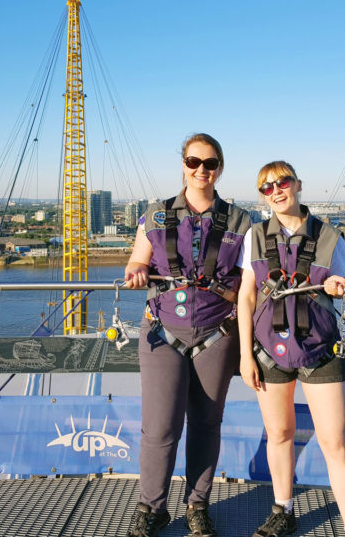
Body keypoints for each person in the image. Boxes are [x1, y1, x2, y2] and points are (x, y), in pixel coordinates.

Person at [124, 133, 251, 537]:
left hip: (218, 333)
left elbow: (251, 285)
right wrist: (136, 272)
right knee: (160, 426)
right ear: (183, 164)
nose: (201, 170)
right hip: (163, 331)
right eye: (194, 162)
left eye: (209, 163)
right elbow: (136, 260)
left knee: (206, 424)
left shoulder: (240, 222)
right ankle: (152, 506)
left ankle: (197, 505)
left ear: (220, 168)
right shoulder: (155, 215)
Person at [237, 161, 345, 537]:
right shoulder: (256, 236)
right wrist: (245, 355)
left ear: (298, 185)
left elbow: (339, 281)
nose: (276, 191)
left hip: (319, 349)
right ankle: (283, 510)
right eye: (266, 187)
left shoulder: (329, 237)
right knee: (278, 433)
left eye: (282, 183)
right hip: (269, 351)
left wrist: (337, 285)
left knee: (335, 442)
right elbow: (246, 296)